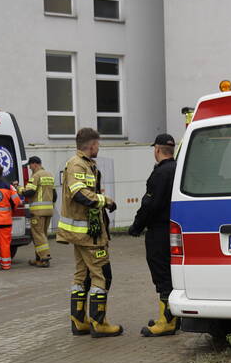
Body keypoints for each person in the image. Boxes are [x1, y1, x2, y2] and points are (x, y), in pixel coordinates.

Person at [56, 127, 121, 338]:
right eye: (98, 145)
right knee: (102, 275)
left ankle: (79, 321)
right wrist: (105, 201)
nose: (98, 148)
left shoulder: (84, 164)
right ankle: (98, 323)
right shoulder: (78, 164)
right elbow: (79, 194)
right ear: (91, 145)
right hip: (89, 236)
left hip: (83, 234)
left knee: (81, 276)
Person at [128, 134, 179, 337]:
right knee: (171, 274)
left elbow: (150, 204)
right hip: (174, 229)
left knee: (162, 275)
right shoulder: (178, 169)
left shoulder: (159, 174)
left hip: (159, 231)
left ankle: (166, 322)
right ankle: (172, 316)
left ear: (157, 149)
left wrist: (136, 227)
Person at [21, 156, 56, 268]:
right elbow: (54, 195)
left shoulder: (36, 176)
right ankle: (38, 259)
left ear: (35, 164)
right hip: (49, 211)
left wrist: (19, 189)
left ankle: (44, 258)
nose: (30, 168)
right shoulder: (50, 175)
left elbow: (29, 192)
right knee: (42, 235)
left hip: (38, 211)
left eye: (30, 165)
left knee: (38, 235)